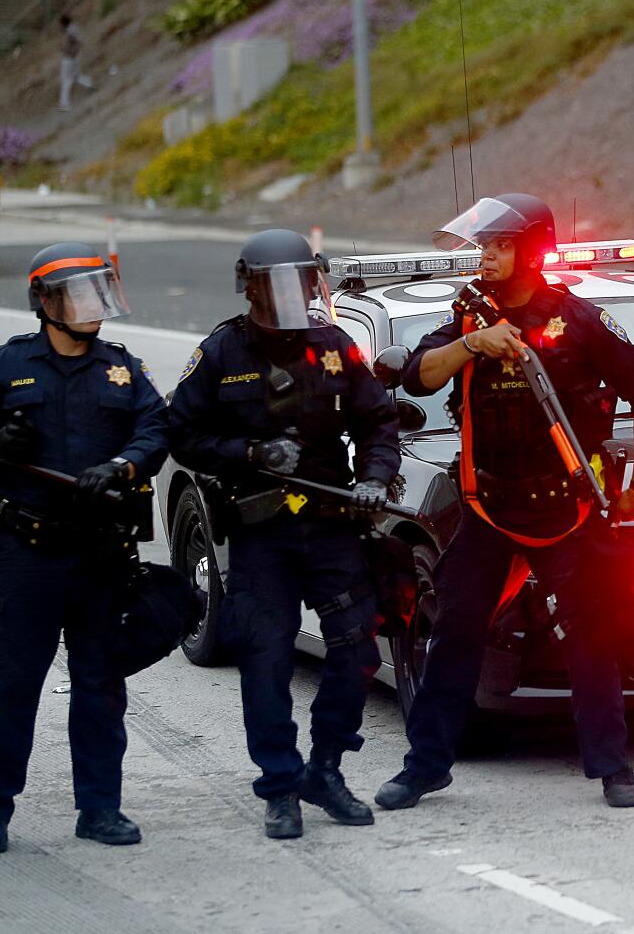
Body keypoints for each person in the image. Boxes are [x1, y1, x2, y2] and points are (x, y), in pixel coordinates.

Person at [377, 193, 634, 810]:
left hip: (566, 506)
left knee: (590, 634)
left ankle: (612, 766)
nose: (488, 254)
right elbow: (418, 375)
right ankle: (425, 766)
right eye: (484, 244)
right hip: (489, 509)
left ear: (533, 248)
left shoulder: (578, 319)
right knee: (454, 632)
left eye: (502, 244)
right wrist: (472, 347)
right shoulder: (468, 317)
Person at [168, 229, 400, 840]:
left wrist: (376, 476)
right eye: (279, 284)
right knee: (265, 661)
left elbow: (379, 420)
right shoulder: (222, 352)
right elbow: (180, 435)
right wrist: (248, 452)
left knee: (355, 652)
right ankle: (279, 785)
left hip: (333, 527)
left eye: (303, 281)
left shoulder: (334, 346)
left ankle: (325, 770)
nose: (294, 294)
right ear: (250, 286)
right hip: (261, 533)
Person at [0, 242, 168, 855]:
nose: (94, 307)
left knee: (100, 685)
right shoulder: (6, 365)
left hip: (100, 554)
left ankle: (99, 809)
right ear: (45, 303)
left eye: (100, 293)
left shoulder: (121, 368)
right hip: (28, 554)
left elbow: (157, 429)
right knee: (13, 683)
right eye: (80, 295)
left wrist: (122, 466)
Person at [57, 14, 94, 112]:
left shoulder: (69, 32)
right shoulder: (73, 29)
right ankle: (89, 84)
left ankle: (65, 104)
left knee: (66, 81)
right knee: (76, 76)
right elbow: (79, 42)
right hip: (75, 57)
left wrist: (64, 49)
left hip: (69, 59)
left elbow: (73, 44)